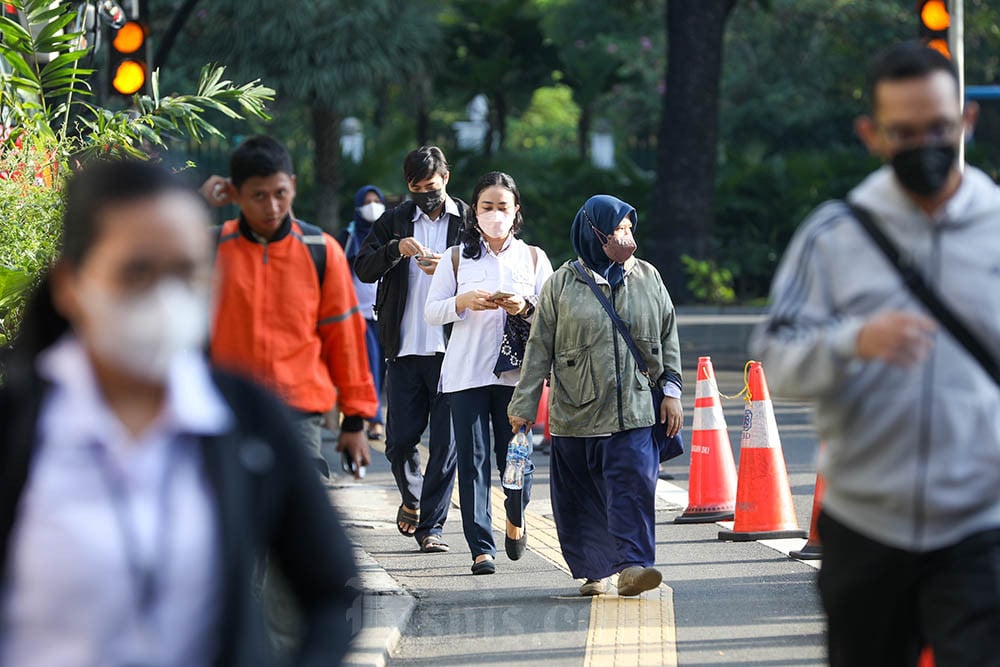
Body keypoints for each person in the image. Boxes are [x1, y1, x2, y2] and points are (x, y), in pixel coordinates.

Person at [0, 159, 361, 666]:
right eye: (137, 272)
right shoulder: (20, 425)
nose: (165, 298)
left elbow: (333, 589)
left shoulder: (248, 420)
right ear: (71, 284)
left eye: (186, 272)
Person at [751, 42, 1000, 667]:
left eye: (939, 128)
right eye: (905, 132)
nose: (926, 144)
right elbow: (775, 358)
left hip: (980, 525)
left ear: (966, 121)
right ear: (871, 134)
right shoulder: (835, 235)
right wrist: (851, 341)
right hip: (866, 526)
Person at [508, 194, 683, 597]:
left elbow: (668, 334)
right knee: (581, 497)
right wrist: (523, 407)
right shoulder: (560, 285)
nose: (626, 237)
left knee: (633, 485)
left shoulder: (648, 277)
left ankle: (634, 565)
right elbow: (538, 351)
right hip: (576, 412)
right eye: (617, 229)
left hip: (636, 409)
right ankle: (594, 571)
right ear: (593, 233)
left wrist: (671, 391)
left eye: (629, 228)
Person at [205, 136, 377, 479]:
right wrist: (198, 202)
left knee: (300, 524)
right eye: (258, 195)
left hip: (299, 414)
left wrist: (355, 420)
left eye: (280, 193)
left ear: (293, 186)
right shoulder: (209, 249)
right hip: (226, 414)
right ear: (235, 193)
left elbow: (345, 338)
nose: (271, 207)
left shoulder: (321, 250)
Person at [424, 171, 553, 575]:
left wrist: (524, 307)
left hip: (516, 379)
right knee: (473, 462)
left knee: (513, 460)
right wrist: (461, 301)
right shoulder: (456, 257)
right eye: (486, 206)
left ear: (516, 211)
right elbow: (432, 311)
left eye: (502, 206)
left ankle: (515, 516)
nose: (495, 214)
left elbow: (552, 317)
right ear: (474, 212)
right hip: (466, 375)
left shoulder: (533, 258)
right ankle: (481, 547)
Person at [353, 146, 475, 553]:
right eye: (417, 187)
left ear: (446, 178)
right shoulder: (395, 220)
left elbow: (494, 267)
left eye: (433, 185)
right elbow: (363, 266)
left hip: (454, 349)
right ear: (408, 186)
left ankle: (432, 527)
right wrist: (395, 251)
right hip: (404, 347)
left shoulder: (469, 222)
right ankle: (413, 497)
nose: (427, 193)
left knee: (445, 444)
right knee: (400, 440)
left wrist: (451, 268)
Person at [345, 185, 389, 441]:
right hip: (358, 314)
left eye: (376, 200)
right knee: (370, 367)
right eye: (367, 201)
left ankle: (369, 414)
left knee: (382, 370)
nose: (372, 205)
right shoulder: (349, 235)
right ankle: (374, 420)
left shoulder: (388, 233)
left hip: (385, 313)